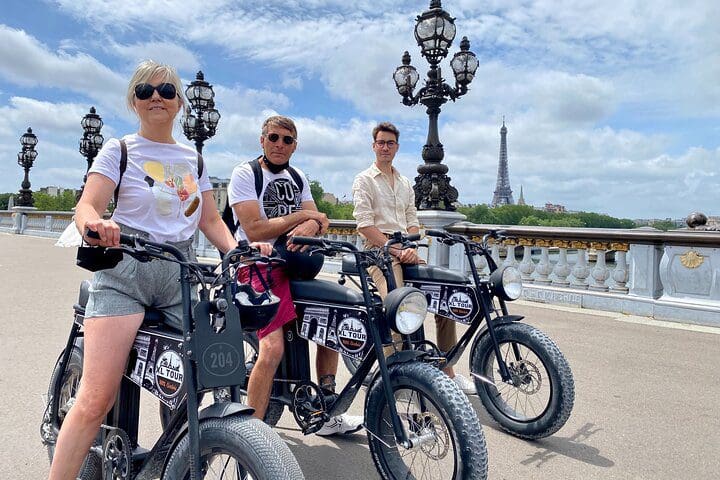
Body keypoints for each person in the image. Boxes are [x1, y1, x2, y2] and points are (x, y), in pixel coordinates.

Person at [49, 60, 271, 480]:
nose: (157, 97)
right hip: (125, 272)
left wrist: (239, 250)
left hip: (179, 276)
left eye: (167, 91)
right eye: (147, 90)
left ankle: (171, 466)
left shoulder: (194, 158)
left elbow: (210, 221)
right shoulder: (121, 149)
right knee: (96, 398)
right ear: (134, 101)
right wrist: (95, 225)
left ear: (179, 102)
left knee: (188, 390)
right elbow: (87, 205)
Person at [228, 115, 363, 435]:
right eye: (273, 138)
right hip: (256, 266)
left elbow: (322, 221)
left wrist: (313, 223)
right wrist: (304, 215)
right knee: (272, 349)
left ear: (295, 146)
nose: (279, 144)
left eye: (287, 140)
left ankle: (326, 409)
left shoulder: (298, 175)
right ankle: (251, 436)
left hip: (296, 263)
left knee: (330, 327)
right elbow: (254, 228)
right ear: (262, 140)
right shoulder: (245, 173)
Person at [351, 121, 476, 394]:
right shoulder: (364, 180)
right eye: (381, 142)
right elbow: (364, 225)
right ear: (374, 146)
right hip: (377, 252)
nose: (385, 147)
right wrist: (393, 249)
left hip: (405, 250)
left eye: (390, 143)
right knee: (397, 306)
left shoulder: (406, 183)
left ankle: (447, 369)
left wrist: (409, 245)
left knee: (446, 300)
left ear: (396, 147)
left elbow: (413, 221)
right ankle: (395, 380)